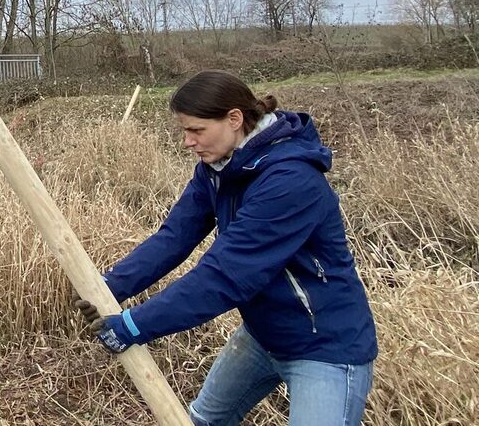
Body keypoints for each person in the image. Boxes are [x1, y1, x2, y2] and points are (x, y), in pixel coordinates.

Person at [75, 70, 377, 426]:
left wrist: (135, 325)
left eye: (196, 130)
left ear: (234, 119)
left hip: (325, 348)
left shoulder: (290, 181)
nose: (188, 142)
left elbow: (225, 275)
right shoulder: (219, 167)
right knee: (203, 421)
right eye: (184, 131)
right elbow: (175, 236)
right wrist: (109, 287)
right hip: (262, 335)